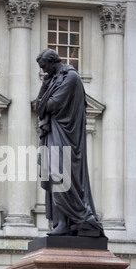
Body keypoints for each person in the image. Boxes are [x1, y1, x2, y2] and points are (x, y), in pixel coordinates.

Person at [36, 49, 104, 237]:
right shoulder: (53, 79)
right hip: (53, 132)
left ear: (52, 62)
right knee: (51, 174)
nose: (43, 71)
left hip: (66, 135)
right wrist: (44, 86)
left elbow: (49, 105)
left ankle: (73, 220)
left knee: (60, 174)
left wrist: (44, 100)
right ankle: (61, 222)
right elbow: (38, 107)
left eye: (44, 67)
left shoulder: (70, 77)